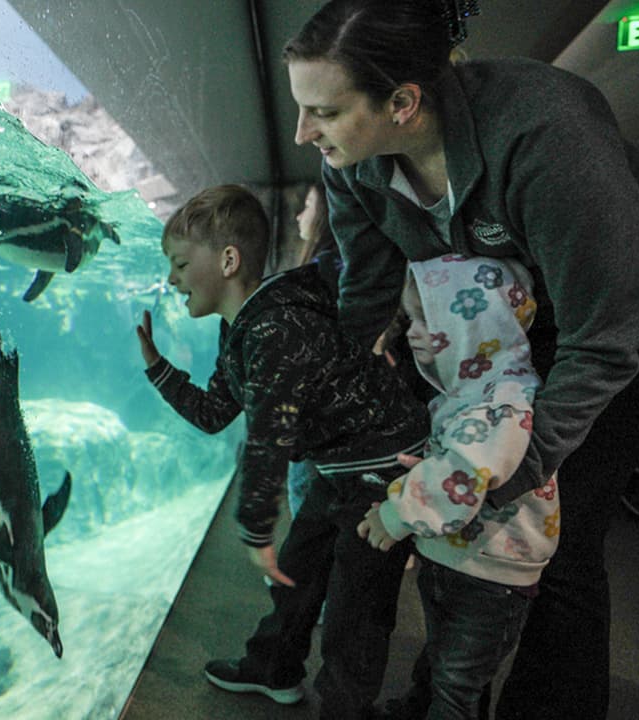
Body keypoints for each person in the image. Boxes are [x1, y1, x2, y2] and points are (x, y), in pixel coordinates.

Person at [283, 2, 639, 718]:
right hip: (498, 318)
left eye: (322, 111)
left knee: (555, 545)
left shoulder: (545, 137)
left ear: (403, 102)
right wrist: (333, 392)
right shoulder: (356, 161)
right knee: (451, 531)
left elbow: (606, 338)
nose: (302, 132)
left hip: (621, 323)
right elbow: (371, 286)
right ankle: (442, 697)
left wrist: (507, 476)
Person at [135, 184, 428, 719]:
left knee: (356, 608)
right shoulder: (240, 330)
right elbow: (215, 413)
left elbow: (270, 439)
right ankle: (273, 669)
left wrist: (254, 526)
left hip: (386, 467)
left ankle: (343, 711)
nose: (172, 279)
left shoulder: (273, 328)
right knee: (297, 573)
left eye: (179, 264)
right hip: (341, 464)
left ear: (227, 260)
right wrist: (159, 368)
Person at [357, 255, 559, 719]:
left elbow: (465, 471)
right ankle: (418, 705)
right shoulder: (471, 389)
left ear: (477, 323)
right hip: (464, 559)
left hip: (491, 575)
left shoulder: (503, 399)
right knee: (443, 659)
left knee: (457, 684)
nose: (411, 331)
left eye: (430, 319)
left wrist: (395, 513)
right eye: (412, 318)